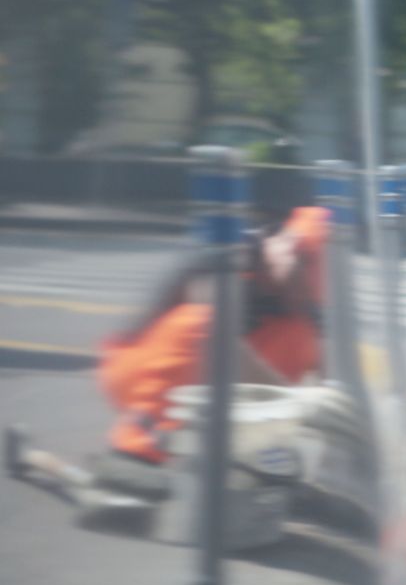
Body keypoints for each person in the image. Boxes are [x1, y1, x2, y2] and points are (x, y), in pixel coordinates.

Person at [92, 206, 331, 493]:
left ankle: (249, 452)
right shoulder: (233, 253)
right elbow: (222, 339)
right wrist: (289, 399)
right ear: (288, 246)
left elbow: (327, 375)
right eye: (304, 275)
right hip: (135, 369)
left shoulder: (297, 302)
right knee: (203, 324)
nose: (302, 295)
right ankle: (136, 450)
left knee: (300, 336)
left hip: (204, 384)